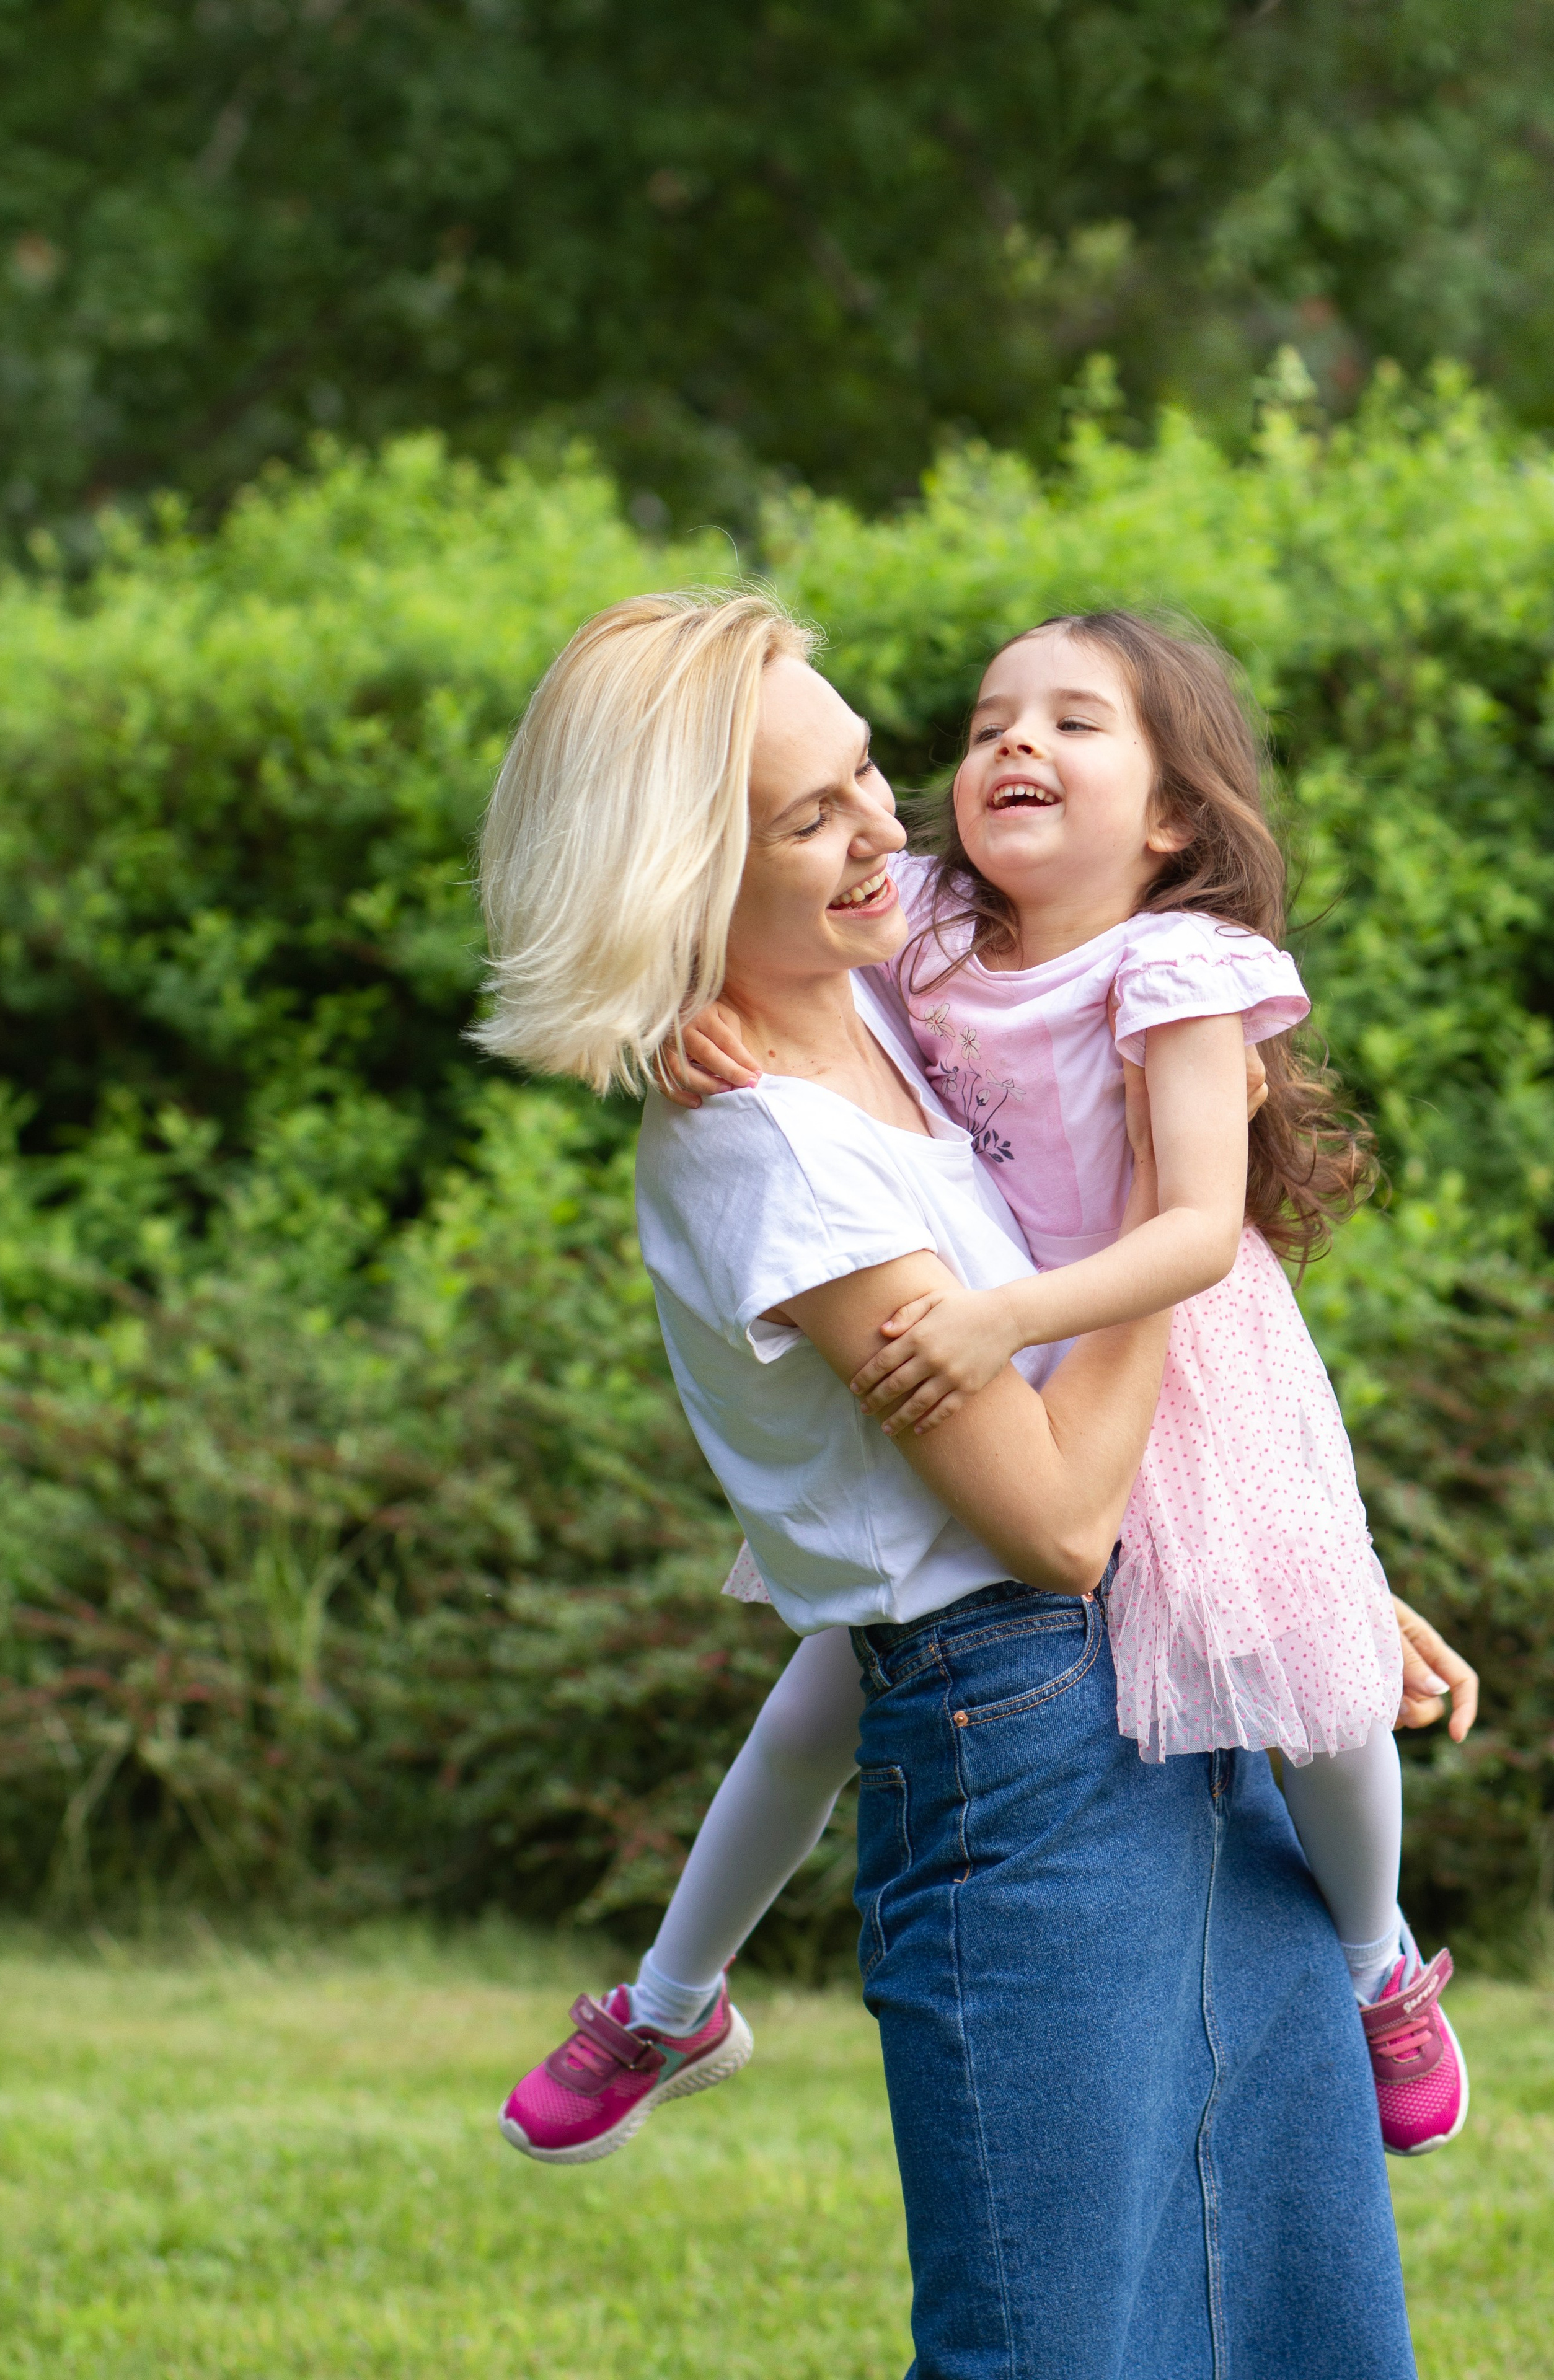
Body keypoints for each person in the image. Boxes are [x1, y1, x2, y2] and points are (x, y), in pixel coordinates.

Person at [476, 588, 1444, 2376]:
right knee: (1055, 2337)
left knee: (1288, 2304)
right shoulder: (775, 1152)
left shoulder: (895, 1002)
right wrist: (1186, 1223)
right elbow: (1059, 1518)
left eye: (866, 777)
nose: (884, 833)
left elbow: (1103, 1455)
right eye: (810, 816)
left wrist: (1279, 1563)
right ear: (691, 871)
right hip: (1017, 1726)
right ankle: (667, 2008)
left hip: (1156, 1675)